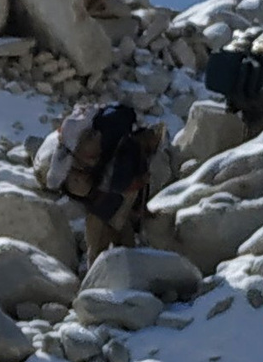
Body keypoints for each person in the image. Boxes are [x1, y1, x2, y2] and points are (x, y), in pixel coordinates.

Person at [37, 98, 171, 259]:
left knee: (98, 250)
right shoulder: (133, 151)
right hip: (105, 208)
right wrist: (140, 183)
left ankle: (96, 275)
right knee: (114, 248)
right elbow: (123, 186)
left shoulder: (120, 140)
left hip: (95, 202)